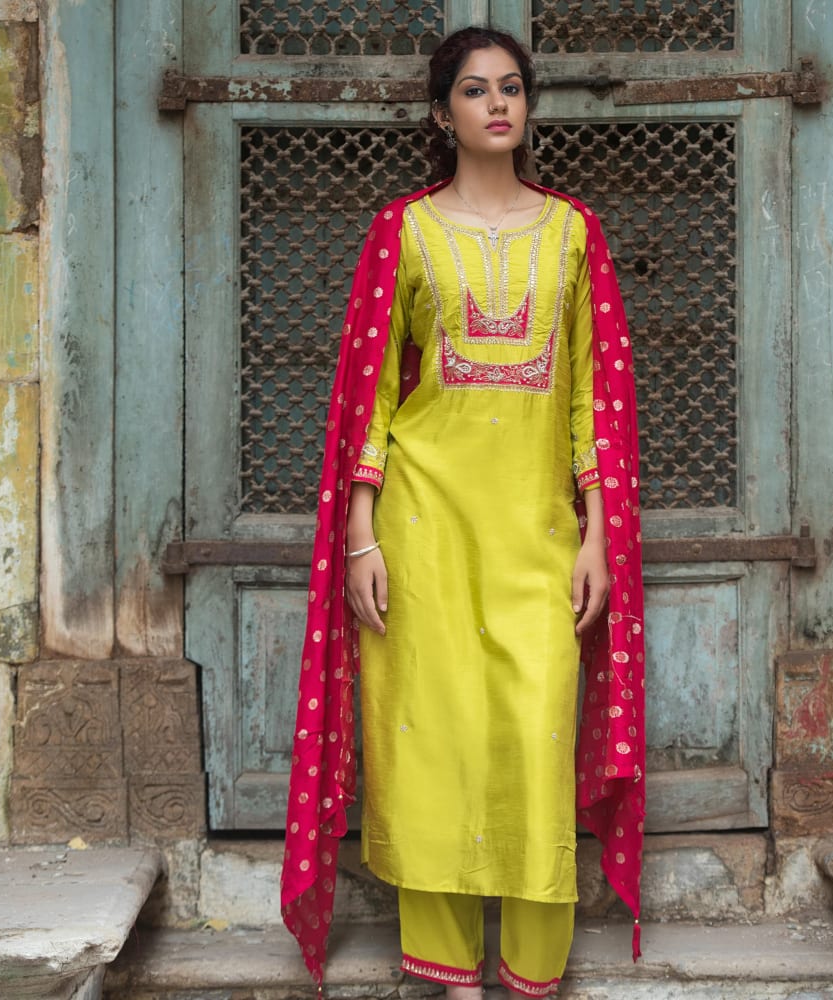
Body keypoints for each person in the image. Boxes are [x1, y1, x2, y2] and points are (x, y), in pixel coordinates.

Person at [282, 26, 645, 999]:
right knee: (430, 743)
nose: (497, 104)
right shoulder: (402, 230)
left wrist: (599, 535)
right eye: (476, 90)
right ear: (441, 113)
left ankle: (531, 972)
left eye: (512, 88)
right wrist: (361, 534)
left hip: (538, 532)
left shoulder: (573, 232)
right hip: (424, 525)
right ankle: (453, 978)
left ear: (529, 105)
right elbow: (369, 400)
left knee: (534, 739)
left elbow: (591, 403)